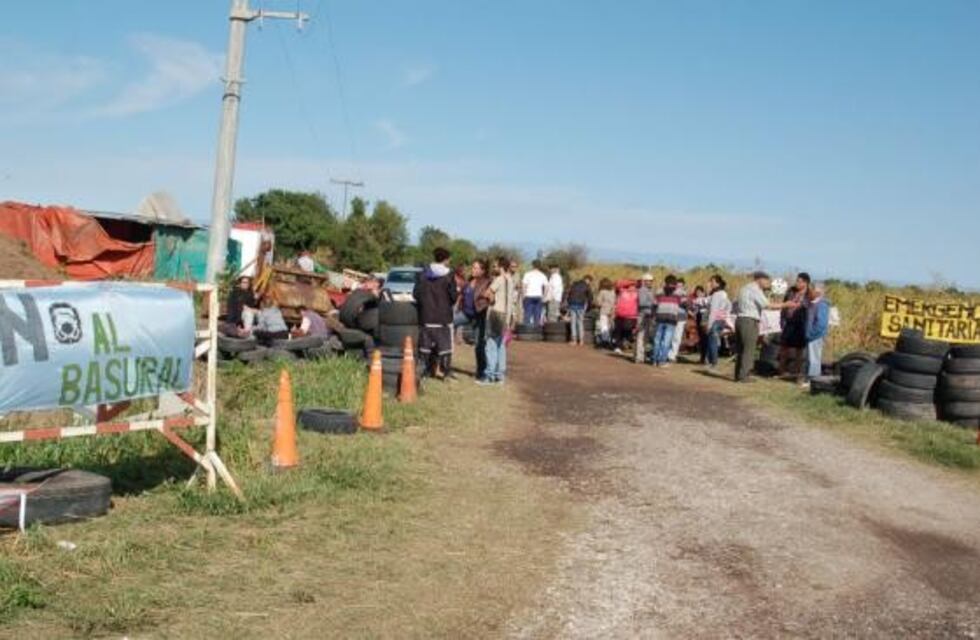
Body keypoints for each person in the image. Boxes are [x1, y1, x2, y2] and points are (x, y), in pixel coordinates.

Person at [734, 271, 799, 382]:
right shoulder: (755, 290)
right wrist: (785, 305)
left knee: (741, 349)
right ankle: (745, 376)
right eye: (767, 281)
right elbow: (767, 305)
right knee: (749, 349)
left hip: (740, 319)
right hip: (749, 320)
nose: (768, 283)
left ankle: (739, 374)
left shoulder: (745, 288)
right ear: (760, 279)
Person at [414, 247, 459, 381]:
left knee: (425, 347)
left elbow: (415, 294)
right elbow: (453, 297)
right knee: (445, 347)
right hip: (443, 318)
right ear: (446, 259)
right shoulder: (449, 276)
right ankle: (446, 373)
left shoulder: (423, 274)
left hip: (426, 317)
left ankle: (422, 373)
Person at [479, 257, 517, 384]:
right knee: (501, 346)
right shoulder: (510, 280)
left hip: (495, 314)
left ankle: (489, 375)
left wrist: (488, 296)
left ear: (501, 267)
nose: (494, 268)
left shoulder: (499, 279)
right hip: (506, 315)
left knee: (490, 345)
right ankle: (500, 375)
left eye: (495, 266)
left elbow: (487, 293)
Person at [779, 273, 810, 378]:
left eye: (799, 281)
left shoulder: (809, 294)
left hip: (801, 324)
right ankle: (781, 372)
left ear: (805, 283)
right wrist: (782, 319)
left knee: (799, 350)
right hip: (788, 322)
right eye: (796, 281)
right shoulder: (791, 291)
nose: (797, 283)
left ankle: (797, 373)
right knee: (784, 348)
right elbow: (784, 306)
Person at [467, 259, 492, 380]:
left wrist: (485, 298)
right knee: (450, 323)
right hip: (467, 313)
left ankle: (482, 371)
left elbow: (489, 298)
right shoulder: (470, 280)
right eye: (473, 267)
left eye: (476, 268)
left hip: (480, 314)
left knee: (479, 343)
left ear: (483, 270)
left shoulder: (487, 282)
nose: (473, 270)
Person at [803, 282, 831, 387]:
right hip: (810, 335)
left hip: (815, 336)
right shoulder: (813, 303)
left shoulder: (822, 304)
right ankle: (808, 378)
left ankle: (812, 379)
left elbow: (821, 324)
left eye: (811, 290)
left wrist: (811, 334)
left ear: (818, 292)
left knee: (814, 358)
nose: (809, 292)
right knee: (809, 357)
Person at [652, 276, 682, 367]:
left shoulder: (659, 291)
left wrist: (654, 315)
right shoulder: (679, 292)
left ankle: (655, 360)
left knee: (657, 339)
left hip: (660, 318)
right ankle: (662, 361)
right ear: (675, 283)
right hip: (671, 319)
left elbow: (654, 304)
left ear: (665, 282)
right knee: (666, 341)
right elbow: (685, 303)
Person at [704, 275, 731, 369]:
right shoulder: (724, 294)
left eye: (712, 281)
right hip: (721, 320)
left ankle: (713, 362)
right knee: (714, 341)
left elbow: (713, 311)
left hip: (715, 320)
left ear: (718, 283)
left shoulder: (717, 294)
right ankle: (710, 361)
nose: (711, 283)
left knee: (712, 342)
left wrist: (709, 324)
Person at [565, 275, 593, 346]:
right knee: (580, 323)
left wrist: (569, 303)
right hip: (580, 305)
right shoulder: (587, 286)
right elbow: (590, 298)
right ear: (588, 280)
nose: (589, 283)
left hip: (572, 305)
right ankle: (581, 341)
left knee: (573, 323)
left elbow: (568, 294)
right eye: (590, 281)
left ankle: (574, 340)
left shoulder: (574, 284)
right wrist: (589, 308)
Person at [614, 281, 639, 355]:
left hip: (628, 316)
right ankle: (620, 346)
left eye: (633, 286)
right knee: (621, 332)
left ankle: (623, 345)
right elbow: (617, 285)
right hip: (625, 316)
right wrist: (630, 282)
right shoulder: (624, 292)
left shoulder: (635, 293)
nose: (632, 287)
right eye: (631, 286)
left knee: (624, 331)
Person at [521, 261, 548, 326]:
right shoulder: (542, 275)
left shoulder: (527, 274)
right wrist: (544, 296)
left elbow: (523, 285)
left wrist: (524, 295)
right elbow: (547, 286)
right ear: (539, 266)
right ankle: (536, 331)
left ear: (532, 265)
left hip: (529, 296)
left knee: (527, 314)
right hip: (538, 296)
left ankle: (527, 331)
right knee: (537, 315)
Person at [668, 277, 688, 362]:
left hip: (681, 317)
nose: (679, 287)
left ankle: (673, 355)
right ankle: (668, 353)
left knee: (677, 337)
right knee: (670, 336)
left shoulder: (685, 294)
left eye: (681, 286)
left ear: (683, 286)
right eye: (678, 285)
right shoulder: (672, 293)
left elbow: (686, 304)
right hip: (672, 316)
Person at [636, 275, 656, 362]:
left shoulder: (650, 290)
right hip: (643, 315)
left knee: (645, 336)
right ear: (644, 281)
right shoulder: (642, 290)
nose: (650, 282)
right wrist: (653, 303)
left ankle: (642, 355)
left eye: (651, 281)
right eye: (649, 281)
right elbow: (641, 303)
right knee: (641, 335)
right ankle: (639, 356)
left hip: (648, 315)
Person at [595, 278, 616, 348]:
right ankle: (611, 341)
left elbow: (598, 303)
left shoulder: (602, 292)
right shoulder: (613, 291)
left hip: (604, 310)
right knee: (610, 327)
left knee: (604, 327)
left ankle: (605, 341)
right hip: (612, 311)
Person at [691, 285, 709, 363]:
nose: (698, 294)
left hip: (705, 317)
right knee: (701, 338)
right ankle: (702, 357)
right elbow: (694, 309)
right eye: (697, 292)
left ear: (703, 292)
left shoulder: (706, 299)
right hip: (698, 317)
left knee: (705, 338)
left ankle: (706, 357)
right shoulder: (697, 300)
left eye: (699, 292)